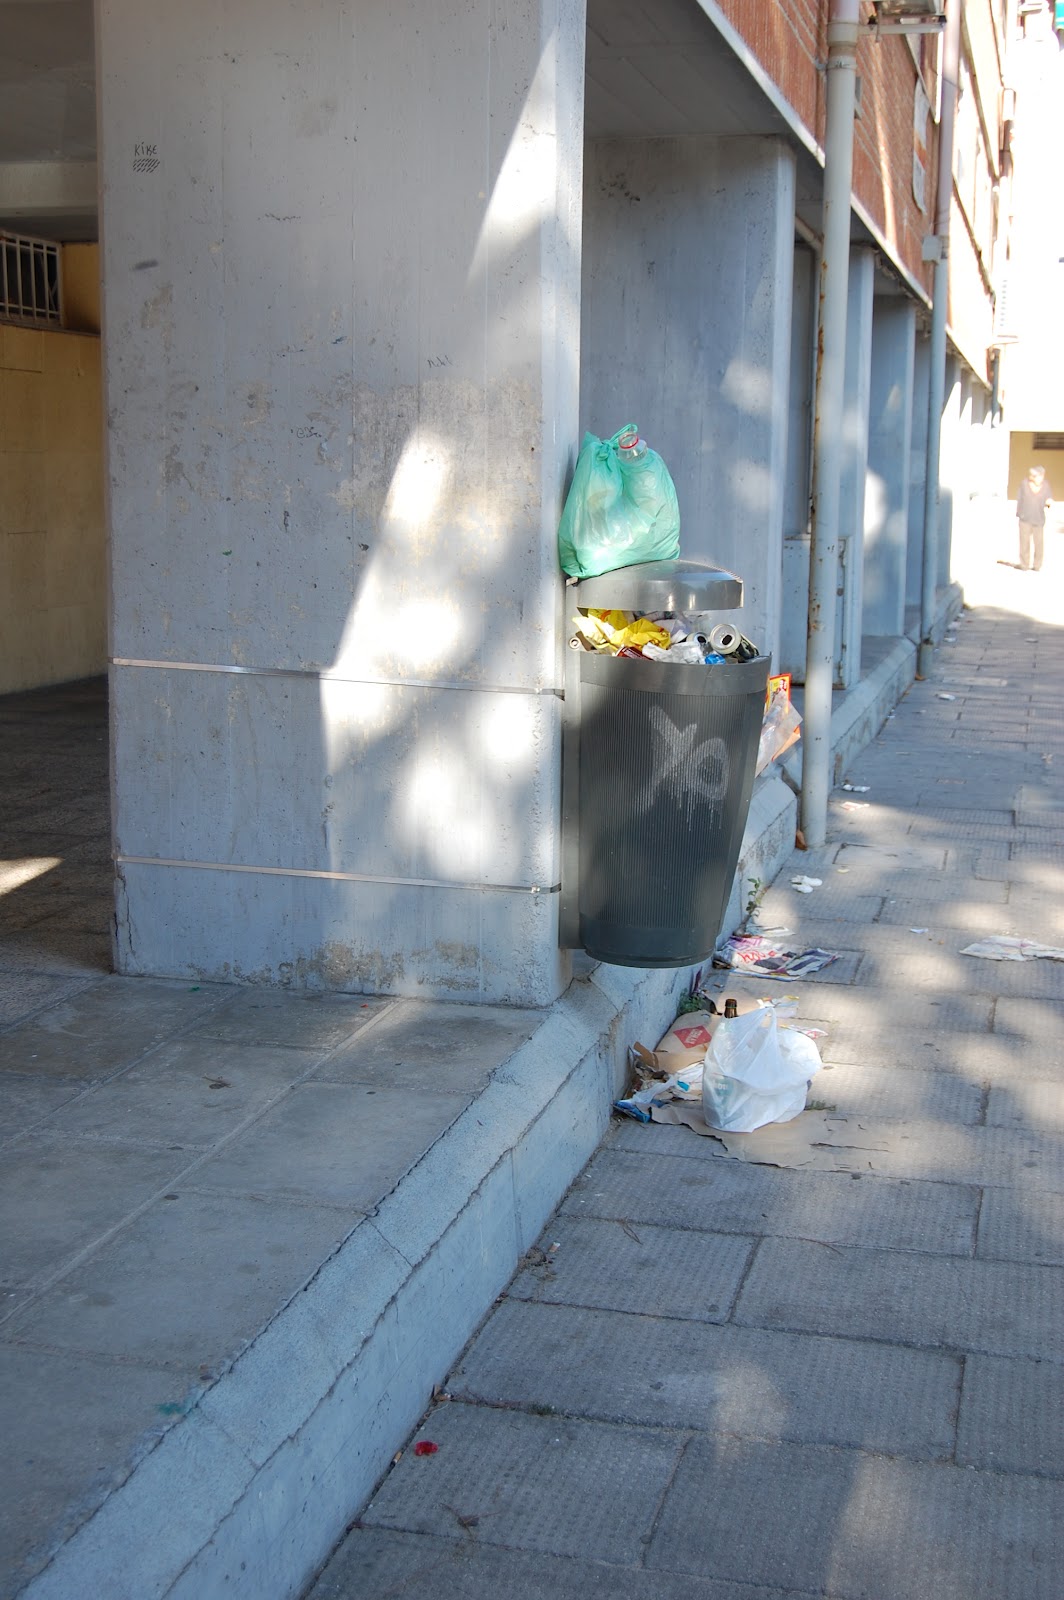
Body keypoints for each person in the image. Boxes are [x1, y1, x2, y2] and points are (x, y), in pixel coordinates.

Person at [1016, 464, 1053, 571]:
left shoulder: (1046, 485)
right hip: (1025, 518)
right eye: (1036, 476)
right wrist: (1019, 514)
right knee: (1024, 543)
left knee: (1039, 544)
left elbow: (1049, 498)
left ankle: (1037, 565)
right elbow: (1019, 498)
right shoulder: (1024, 484)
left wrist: (1049, 502)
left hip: (1038, 519)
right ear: (1032, 477)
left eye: (1040, 476)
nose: (1039, 478)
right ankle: (1024, 564)